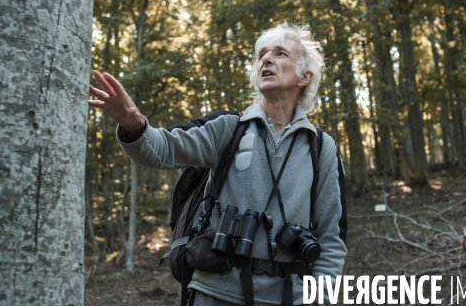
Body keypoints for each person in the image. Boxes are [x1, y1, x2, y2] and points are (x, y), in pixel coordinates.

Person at [88, 22, 347, 305]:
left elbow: (330, 240)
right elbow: (161, 150)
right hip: (215, 294)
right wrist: (134, 124)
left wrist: (320, 298)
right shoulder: (227, 129)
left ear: (304, 77)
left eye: (280, 53)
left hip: (291, 298)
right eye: (262, 54)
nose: (266, 59)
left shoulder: (321, 148)